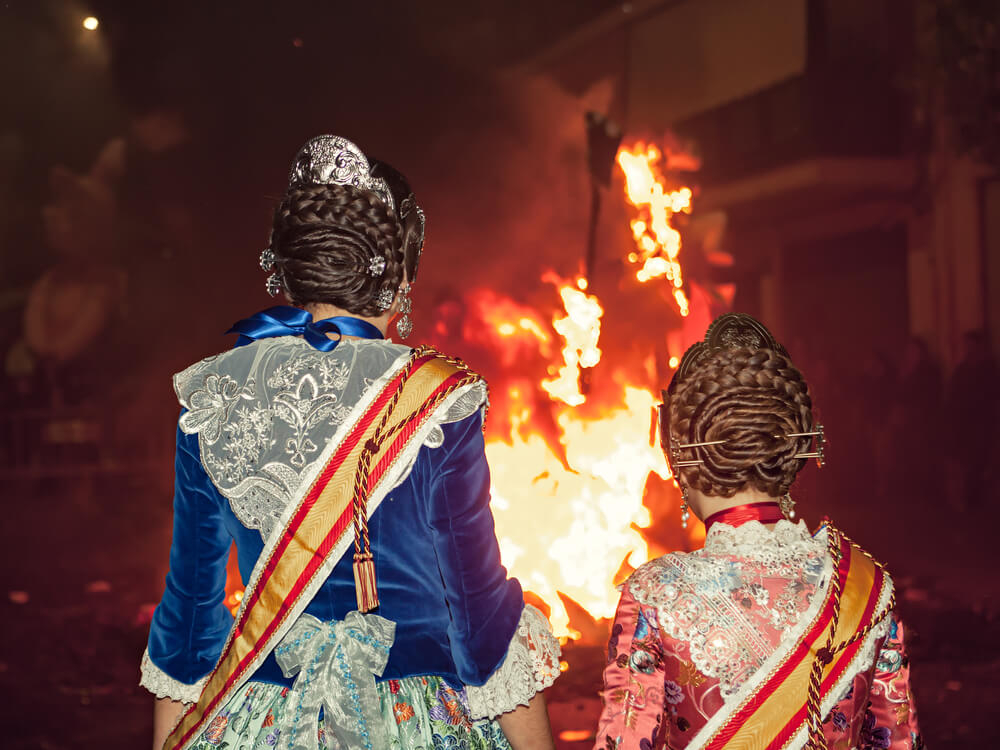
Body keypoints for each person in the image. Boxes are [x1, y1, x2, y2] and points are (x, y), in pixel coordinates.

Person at [140, 135, 560, 750]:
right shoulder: (440, 397)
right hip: (414, 721)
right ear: (398, 279)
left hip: (264, 718)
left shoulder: (213, 394)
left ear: (284, 270)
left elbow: (189, 623)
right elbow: (480, 619)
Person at [594, 313, 922, 750]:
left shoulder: (654, 593)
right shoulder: (868, 588)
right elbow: (899, 740)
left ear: (681, 458)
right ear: (796, 452)